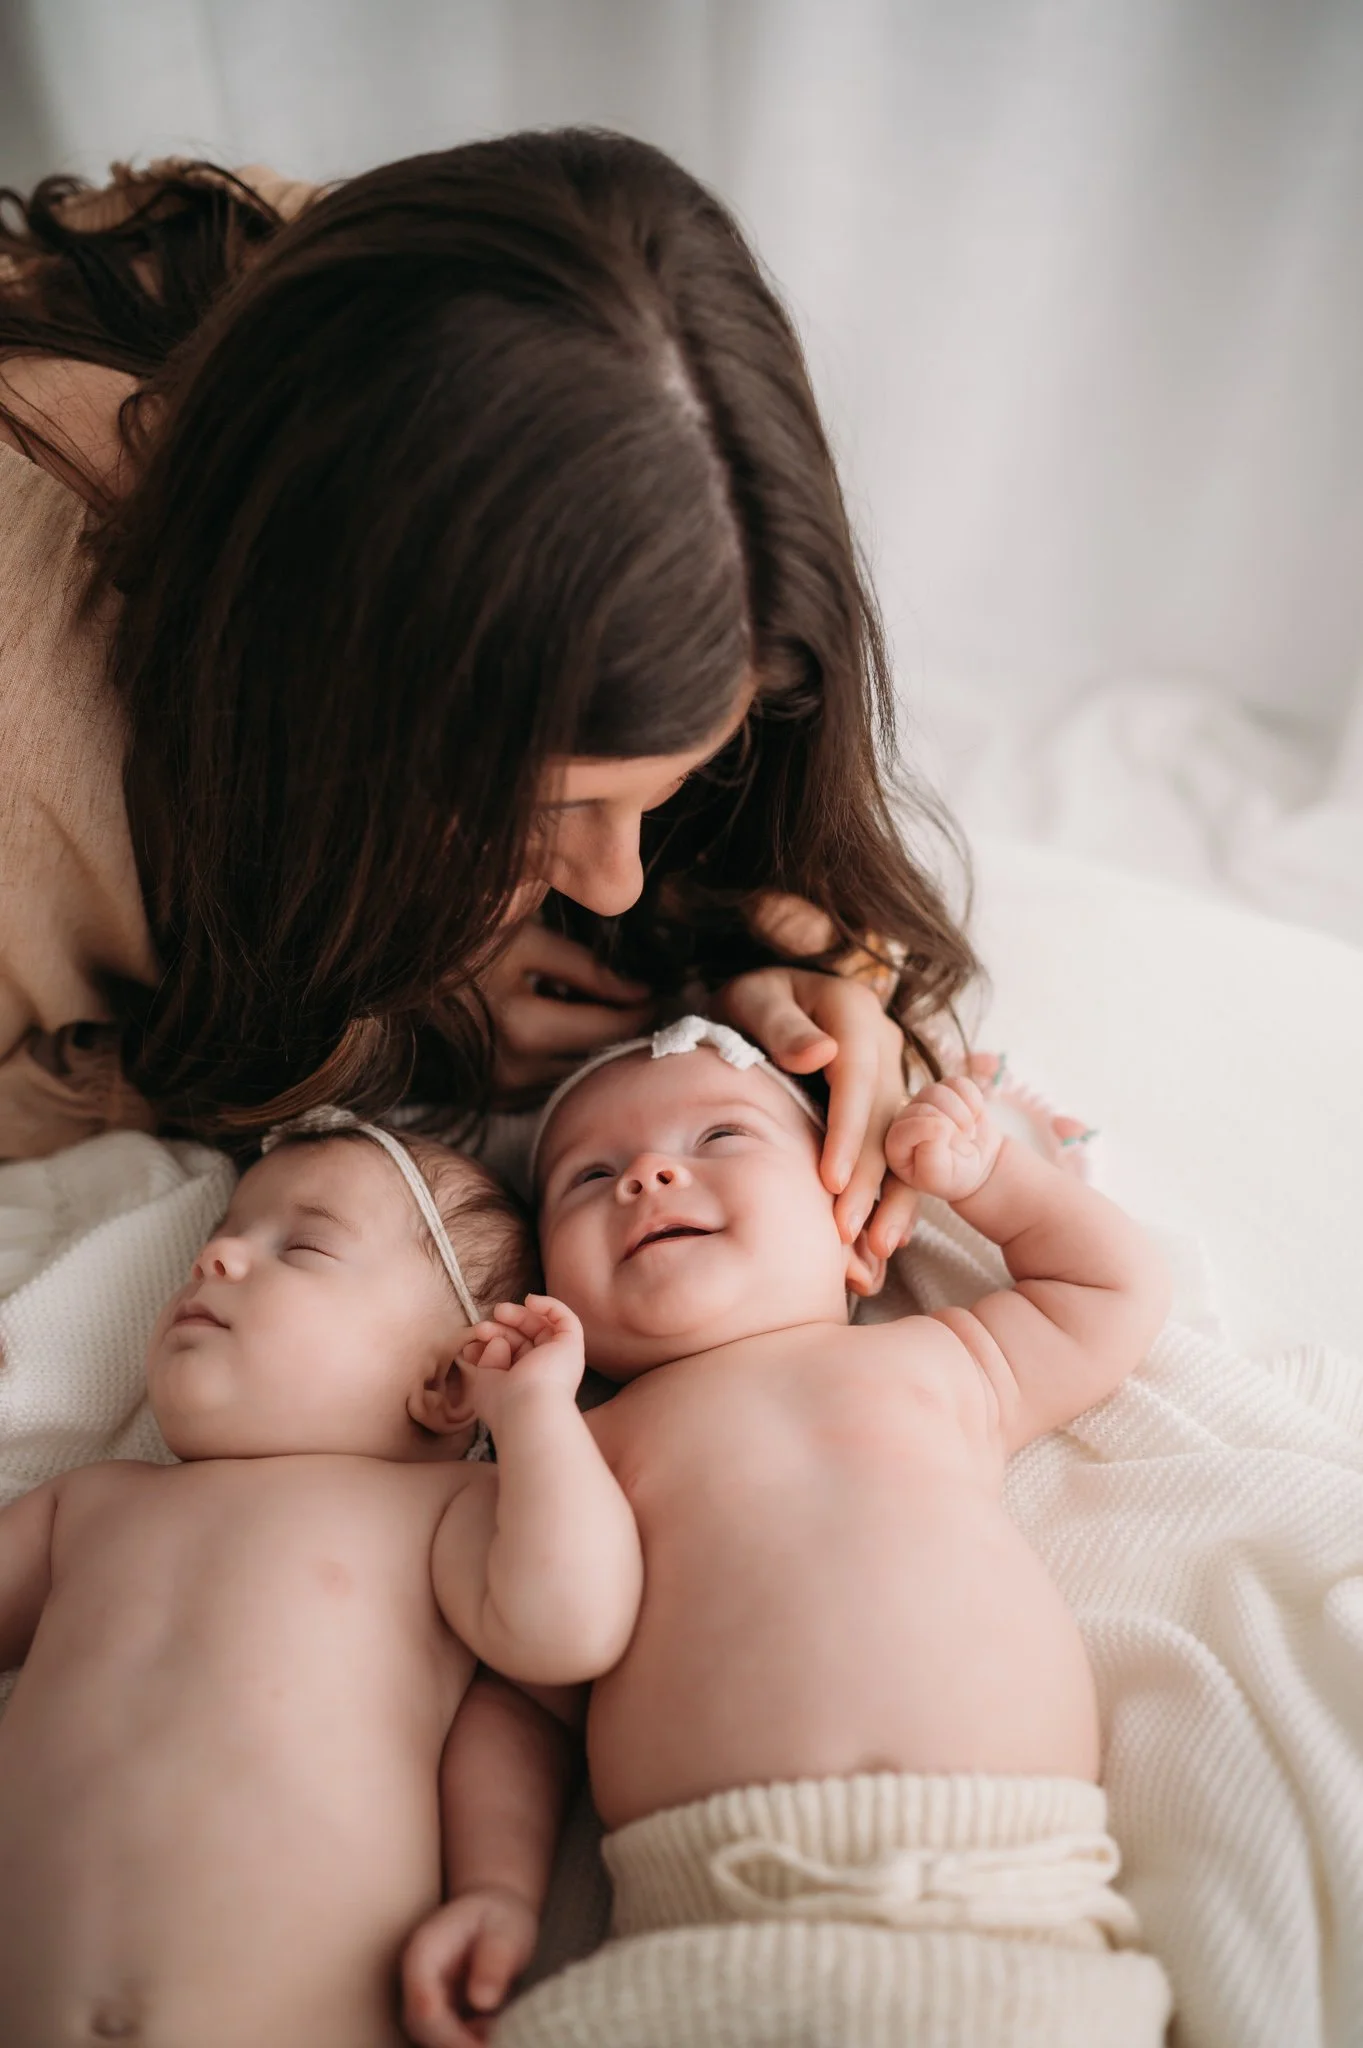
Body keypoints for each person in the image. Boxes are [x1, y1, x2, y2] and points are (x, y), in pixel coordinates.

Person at [0, 133, 977, 1268]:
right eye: (543, 808)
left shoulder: (461, 322)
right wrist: (395, 1025)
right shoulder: (31, 728)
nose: (613, 881)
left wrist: (804, 963)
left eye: (677, 778)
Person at [461, 1017, 1174, 2048]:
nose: (648, 1176)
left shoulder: (940, 1360)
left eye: (720, 1137)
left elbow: (1109, 1290)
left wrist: (990, 1179)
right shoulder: (578, 1449)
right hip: (704, 1929)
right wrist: (493, 1888)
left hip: (1008, 1909)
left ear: (855, 1229)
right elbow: (517, 1702)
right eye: (588, 1177)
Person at [0, 1112, 640, 2048]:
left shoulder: (438, 1513)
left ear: (447, 1383)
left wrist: (538, 1414)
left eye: (301, 1248)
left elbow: (568, 1629)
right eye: (221, 1236)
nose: (214, 1257)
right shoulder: (88, 1504)